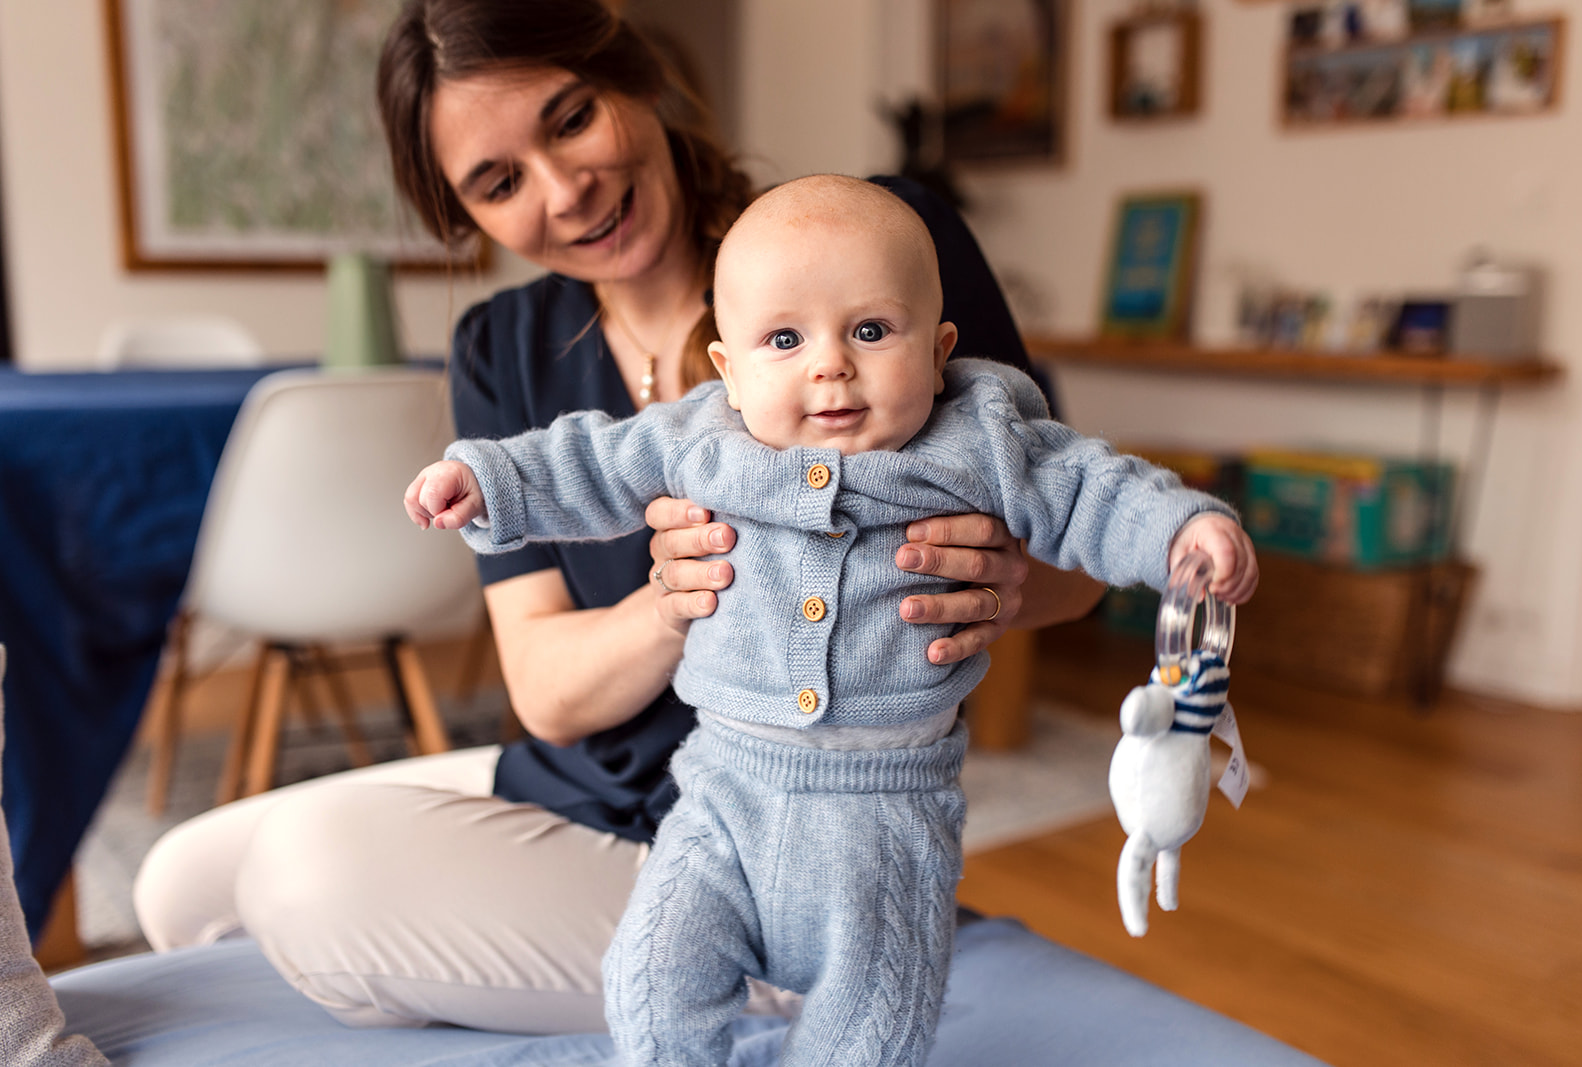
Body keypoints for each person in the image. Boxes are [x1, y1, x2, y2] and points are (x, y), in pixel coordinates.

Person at [133, 0, 1106, 1035]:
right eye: (500, 182)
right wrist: (669, 599)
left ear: (631, 73)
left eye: (569, 119)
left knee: (302, 876)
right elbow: (548, 692)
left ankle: (777, 970)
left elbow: (1077, 569)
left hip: (809, 830)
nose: (565, 190)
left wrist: (1006, 580)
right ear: (468, 218)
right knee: (183, 882)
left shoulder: (870, 246)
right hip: (600, 788)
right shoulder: (499, 347)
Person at [405, 174, 1258, 1065]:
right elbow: (584, 461)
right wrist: (487, 485)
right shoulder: (702, 435)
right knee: (652, 981)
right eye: (784, 339)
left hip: (888, 817)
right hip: (721, 798)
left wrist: (1183, 530)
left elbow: (1095, 487)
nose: (830, 365)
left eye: (871, 330)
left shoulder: (981, 435)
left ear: (938, 351)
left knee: (871, 1033)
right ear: (728, 372)